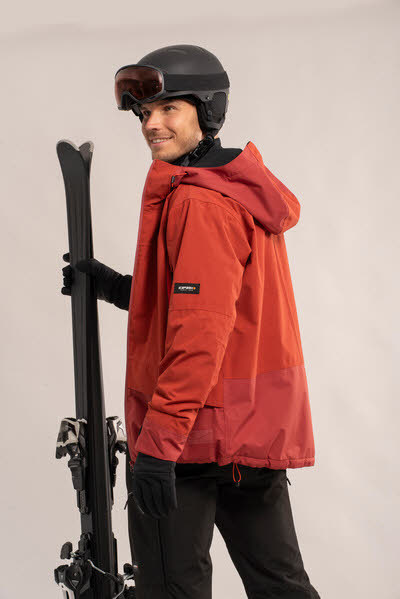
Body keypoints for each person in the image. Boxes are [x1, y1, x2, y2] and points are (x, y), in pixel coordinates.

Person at [62, 44, 320, 599]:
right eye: (143, 113)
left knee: (172, 591)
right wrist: (118, 287)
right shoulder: (235, 190)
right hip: (248, 436)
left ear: (207, 110)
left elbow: (199, 335)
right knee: (282, 588)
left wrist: (157, 448)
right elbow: (218, 308)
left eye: (168, 109)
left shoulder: (198, 203)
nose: (151, 124)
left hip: (188, 441)